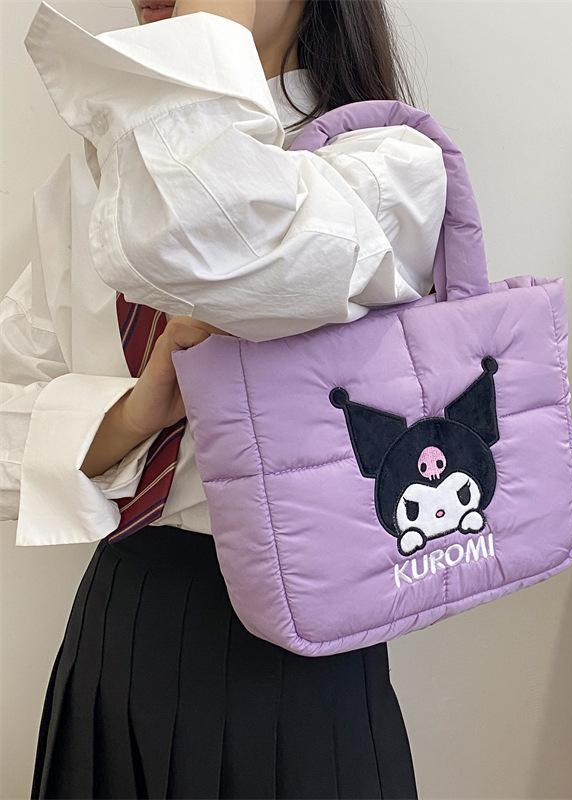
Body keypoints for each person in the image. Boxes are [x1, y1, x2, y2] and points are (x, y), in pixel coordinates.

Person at [1, 0, 448, 796]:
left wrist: (195, 37)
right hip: (122, 619)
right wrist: (128, 416)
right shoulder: (102, 168)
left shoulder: (385, 162)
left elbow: (211, 237)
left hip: (300, 659)